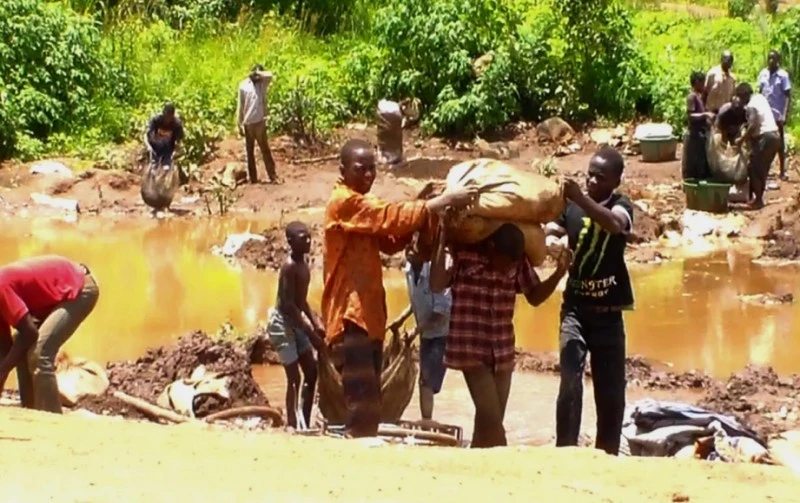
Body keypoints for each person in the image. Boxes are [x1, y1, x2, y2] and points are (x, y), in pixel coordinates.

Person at [322, 138, 478, 438]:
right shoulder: (344, 202)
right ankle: (353, 458)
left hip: (368, 316)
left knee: (369, 400)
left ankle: (358, 450)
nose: (368, 175)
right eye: (360, 169)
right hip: (349, 316)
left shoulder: (360, 208)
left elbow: (390, 237)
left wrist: (423, 215)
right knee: (361, 401)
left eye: (372, 169)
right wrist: (438, 203)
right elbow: (387, 217)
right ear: (342, 170)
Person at [430, 223, 572, 448]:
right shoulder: (463, 254)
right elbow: (436, 283)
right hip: (470, 349)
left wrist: (558, 274)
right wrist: (442, 238)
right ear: (491, 247)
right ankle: (506, 463)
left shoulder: (517, 261)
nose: (507, 267)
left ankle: (479, 468)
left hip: (502, 349)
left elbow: (534, 297)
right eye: (505, 261)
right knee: (492, 419)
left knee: (487, 422)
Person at [545, 146, 635, 456]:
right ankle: (565, 452)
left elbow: (614, 225)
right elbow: (552, 229)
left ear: (615, 181)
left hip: (609, 315)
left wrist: (580, 199)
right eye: (589, 175)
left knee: (610, 393)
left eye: (600, 177)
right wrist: (552, 242)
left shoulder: (621, 206)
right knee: (570, 378)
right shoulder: (570, 207)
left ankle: (606, 454)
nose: (592, 182)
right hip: (575, 310)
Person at [0, 256, 100, 414]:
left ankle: (51, 417)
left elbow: (30, 334)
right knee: (20, 342)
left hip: (80, 288)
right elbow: (5, 350)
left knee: (40, 353)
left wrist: (3, 370)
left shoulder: (1, 287)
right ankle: (31, 412)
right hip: (53, 297)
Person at [266, 221, 325, 429]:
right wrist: (310, 332)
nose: (308, 241)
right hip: (282, 324)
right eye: (302, 237)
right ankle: (291, 424)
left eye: (309, 236)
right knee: (294, 378)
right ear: (290, 242)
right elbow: (289, 305)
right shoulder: (289, 267)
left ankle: (305, 421)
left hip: (296, 322)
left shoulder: (303, 265)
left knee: (312, 372)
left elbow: (302, 301)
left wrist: (316, 322)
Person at [389, 232, 451, 421]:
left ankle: (427, 421)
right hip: (426, 334)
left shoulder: (436, 271)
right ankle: (427, 419)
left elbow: (441, 311)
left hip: (442, 334)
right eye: (406, 246)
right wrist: (400, 319)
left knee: (428, 382)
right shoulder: (409, 270)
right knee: (425, 381)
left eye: (413, 246)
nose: (408, 250)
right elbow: (416, 301)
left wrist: (416, 329)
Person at [735, 82, 781, 209]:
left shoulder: (750, 105)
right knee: (762, 169)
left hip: (765, 137)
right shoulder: (760, 98)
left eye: (739, 96)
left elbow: (753, 124)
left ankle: (759, 200)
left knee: (753, 168)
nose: (739, 100)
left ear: (744, 95)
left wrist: (741, 140)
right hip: (775, 136)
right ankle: (758, 198)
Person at [236, 64, 279, 184]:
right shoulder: (243, 85)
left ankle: (273, 175)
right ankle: (253, 178)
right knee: (249, 152)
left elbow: (271, 75)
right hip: (248, 123)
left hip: (260, 121)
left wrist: (259, 74)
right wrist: (238, 122)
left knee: (265, 149)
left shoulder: (262, 84)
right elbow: (240, 105)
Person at [758, 50, 792, 181]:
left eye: (774, 59)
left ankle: (782, 170)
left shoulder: (782, 76)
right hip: (765, 113)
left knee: (779, 142)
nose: (771, 61)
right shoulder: (763, 74)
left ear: (778, 60)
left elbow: (788, 96)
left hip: (777, 114)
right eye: (769, 58)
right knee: (764, 141)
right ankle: (765, 170)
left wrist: (785, 114)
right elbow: (760, 93)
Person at [684, 71, 714, 180]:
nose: (704, 85)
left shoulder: (699, 97)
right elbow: (690, 116)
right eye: (702, 82)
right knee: (696, 161)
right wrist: (705, 115)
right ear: (696, 83)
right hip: (695, 134)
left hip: (701, 133)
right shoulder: (691, 97)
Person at [144, 103, 185, 182]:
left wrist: (177, 147)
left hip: (168, 148)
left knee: (166, 167)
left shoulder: (176, 124)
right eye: (166, 115)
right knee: (153, 166)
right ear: (163, 114)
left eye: (170, 116)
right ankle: (150, 181)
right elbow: (148, 132)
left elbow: (180, 138)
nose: (167, 118)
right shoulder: (156, 120)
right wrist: (149, 144)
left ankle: (163, 184)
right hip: (155, 146)